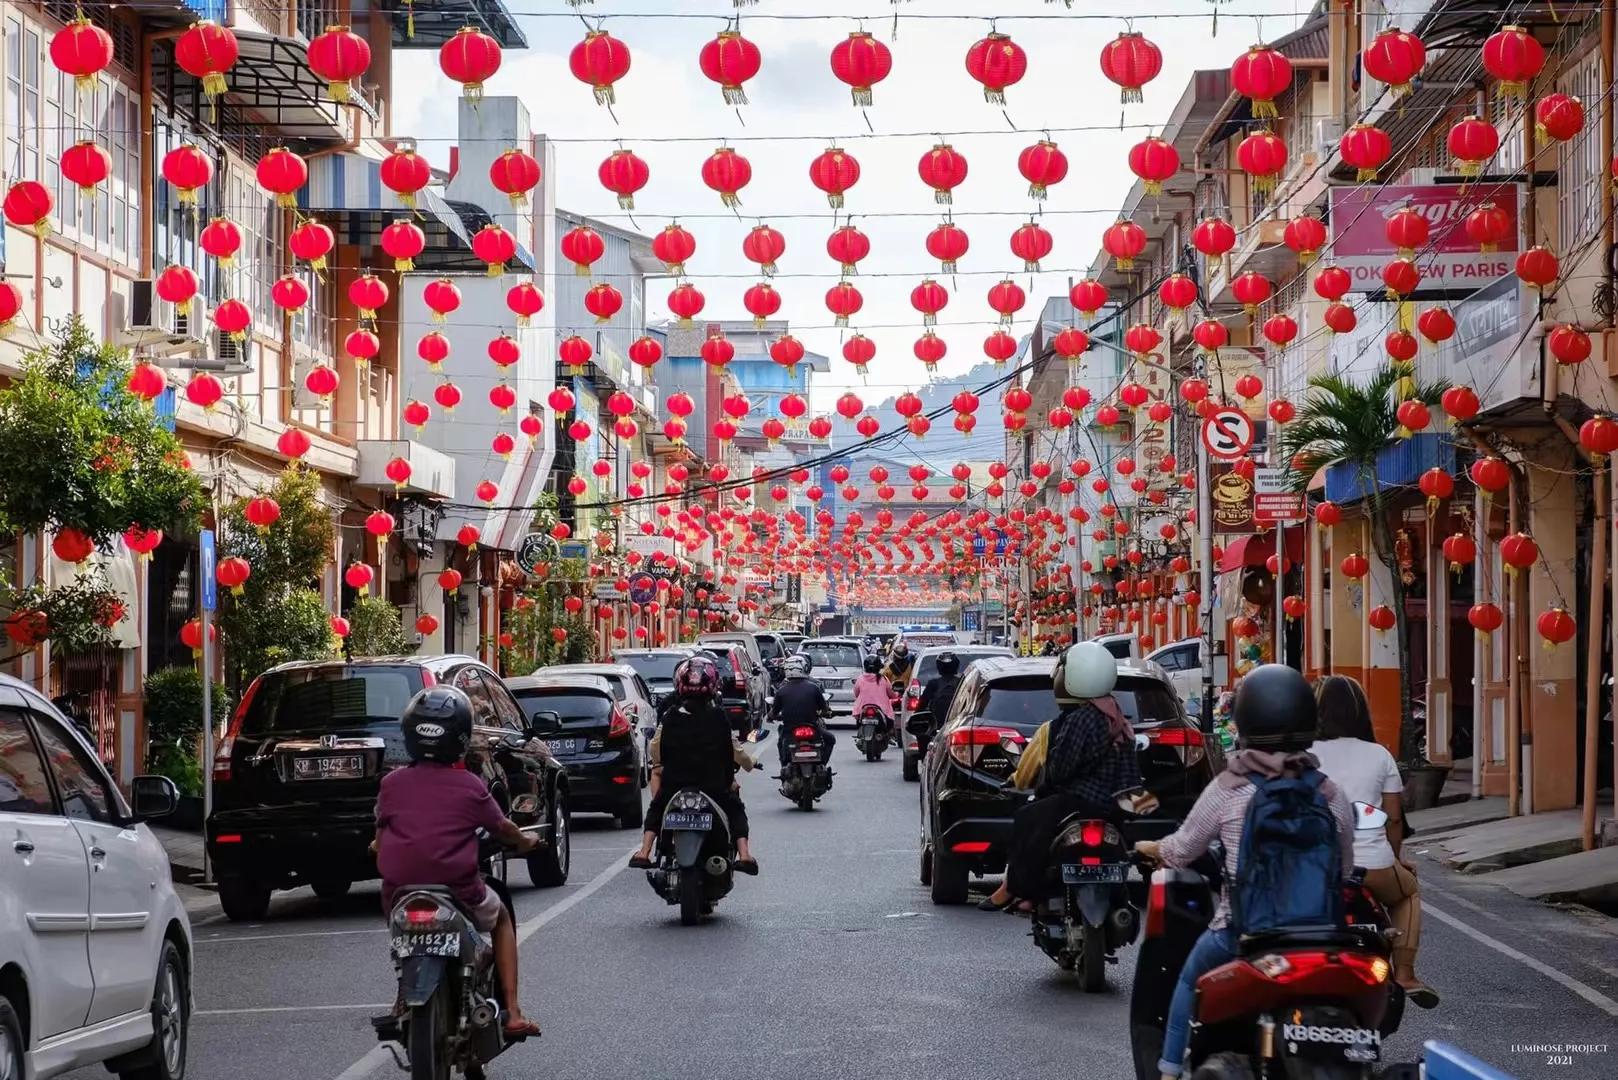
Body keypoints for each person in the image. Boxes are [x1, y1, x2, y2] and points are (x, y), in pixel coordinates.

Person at [1134, 665, 1356, 1080]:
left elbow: (1181, 851)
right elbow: (1344, 868)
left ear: (1246, 721)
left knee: (1187, 981)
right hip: (1321, 936)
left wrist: (1150, 848)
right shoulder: (1328, 791)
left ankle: (1167, 1070)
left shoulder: (1229, 788)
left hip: (1243, 933)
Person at [375, 687, 541, 1038]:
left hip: (399, 897)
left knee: (404, 940)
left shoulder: (391, 784)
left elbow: (379, 837)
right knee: (502, 918)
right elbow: (504, 829)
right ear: (462, 738)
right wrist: (526, 841)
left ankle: (402, 997)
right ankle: (512, 1012)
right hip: (459, 892)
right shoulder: (469, 786)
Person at [980, 642, 1140, 912]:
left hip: (1084, 800)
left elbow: (1062, 768)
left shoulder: (1083, 718)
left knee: (1028, 818)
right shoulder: (1113, 712)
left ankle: (1014, 888)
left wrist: (1046, 784)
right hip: (1115, 804)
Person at [1311, 674, 1439, 1008]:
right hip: (1372, 865)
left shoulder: (1302, 754)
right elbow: (1394, 819)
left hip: (1315, 867)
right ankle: (1406, 974)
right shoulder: (1379, 755)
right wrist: (1396, 860)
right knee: (1408, 891)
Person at [629, 655, 758, 874]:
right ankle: (744, 855)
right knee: (736, 808)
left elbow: (656, 751)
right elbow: (730, 751)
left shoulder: (670, 716)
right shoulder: (718, 717)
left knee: (658, 807)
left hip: (675, 786)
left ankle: (645, 851)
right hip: (713, 786)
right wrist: (734, 776)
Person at [771, 653, 835, 768]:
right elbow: (824, 708)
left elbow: (773, 712)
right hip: (813, 727)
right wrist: (827, 713)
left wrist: (771, 716)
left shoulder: (781, 690)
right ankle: (822, 765)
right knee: (830, 739)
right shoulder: (814, 687)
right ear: (804, 668)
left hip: (790, 730)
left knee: (781, 743)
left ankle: (784, 767)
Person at [914, 650, 963, 732]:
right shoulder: (962, 682)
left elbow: (921, 706)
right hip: (956, 726)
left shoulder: (933, 684)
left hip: (944, 727)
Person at [852, 654, 895, 736]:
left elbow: (856, 693)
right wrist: (895, 695)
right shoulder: (883, 679)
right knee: (890, 723)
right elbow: (891, 693)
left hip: (862, 707)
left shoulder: (860, 679)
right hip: (882, 708)